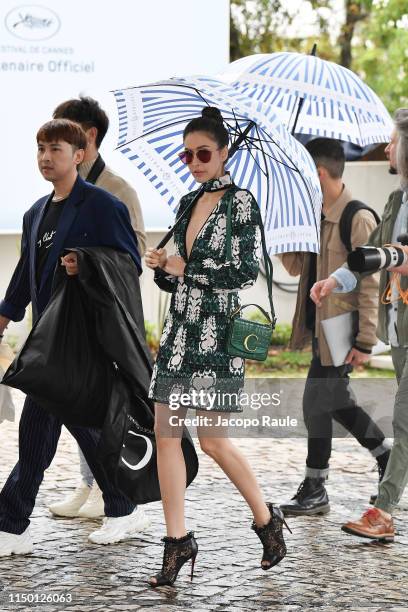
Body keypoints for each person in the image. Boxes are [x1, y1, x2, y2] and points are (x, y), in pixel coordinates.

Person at [144, 106, 290, 587]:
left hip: (217, 334)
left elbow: (245, 272)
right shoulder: (187, 202)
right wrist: (164, 265)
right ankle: (176, 541)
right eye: (187, 155)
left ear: (224, 152)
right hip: (180, 330)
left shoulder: (242, 203)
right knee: (165, 433)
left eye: (203, 152)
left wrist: (185, 269)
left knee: (211, 441)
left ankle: (266, 520)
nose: (195, 161)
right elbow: (177, 278)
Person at [0, 119, 150, 556]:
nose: (46, 157)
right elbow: (25, 273)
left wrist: (85, 264)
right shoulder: (35, 212)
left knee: (40, 429)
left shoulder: (102, 206)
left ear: (79, 154)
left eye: (57, 149)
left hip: (84, 339)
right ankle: (122, 504)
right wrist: (7, 313)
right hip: (49, 339)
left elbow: (128, 264)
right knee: (75, 427)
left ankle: (12, 522)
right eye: (41, 148)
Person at [310, 109, 408, 541]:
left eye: (393, 142)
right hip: (401, 331)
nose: (387, 149)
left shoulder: (366, 207)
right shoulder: (395, 201)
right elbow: (372, 258)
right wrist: (335, 279)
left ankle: (382, 511)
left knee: (403, 421)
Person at [279, 138, 390, 517]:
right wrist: (284, 225)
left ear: (319, 173)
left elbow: (372, 280)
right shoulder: (314, 214)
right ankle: (385, 458)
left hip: (343, 328)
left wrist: (365, 340)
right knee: (333, 400)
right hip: (322, 327)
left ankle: (316, 487)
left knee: (317, 401)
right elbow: (295, 267)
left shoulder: (356, 218)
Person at [48, 96, 147, 520]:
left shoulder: (117, 190)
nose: (52, 148)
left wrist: (86, 259)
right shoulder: (60, 190)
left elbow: (136, 251)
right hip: (66, 318)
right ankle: (92, 486)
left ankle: (115, 494)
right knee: (73, 405)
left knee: (101, 408)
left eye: (64, 134)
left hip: (104, 318)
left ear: (87, 137)